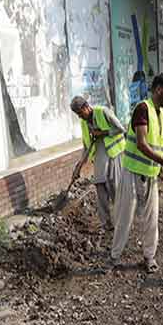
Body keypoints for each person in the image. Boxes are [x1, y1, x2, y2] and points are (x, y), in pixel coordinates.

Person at [105, 74, 163, 273]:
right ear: (158, 90)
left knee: (151, 218)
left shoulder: (160, 113)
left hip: (150, 175)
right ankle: (114, 257)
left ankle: (149, 257)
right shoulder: (142, 109)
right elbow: (142, 143)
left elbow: (157, 146)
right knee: (124, 217)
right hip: (132, 172)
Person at [70, 95, 126, 232]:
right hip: (100, 157)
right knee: (100, 187)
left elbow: (121, 129)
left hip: (113, 154)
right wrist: (79, 166)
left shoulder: (103, 112)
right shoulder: (84, 123)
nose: (79, 117)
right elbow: (86, 146)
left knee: (114, 188)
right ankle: (106, 223)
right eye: (77, 114)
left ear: (86, 107)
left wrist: (103, 132)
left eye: (79, 113)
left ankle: (122, 221)